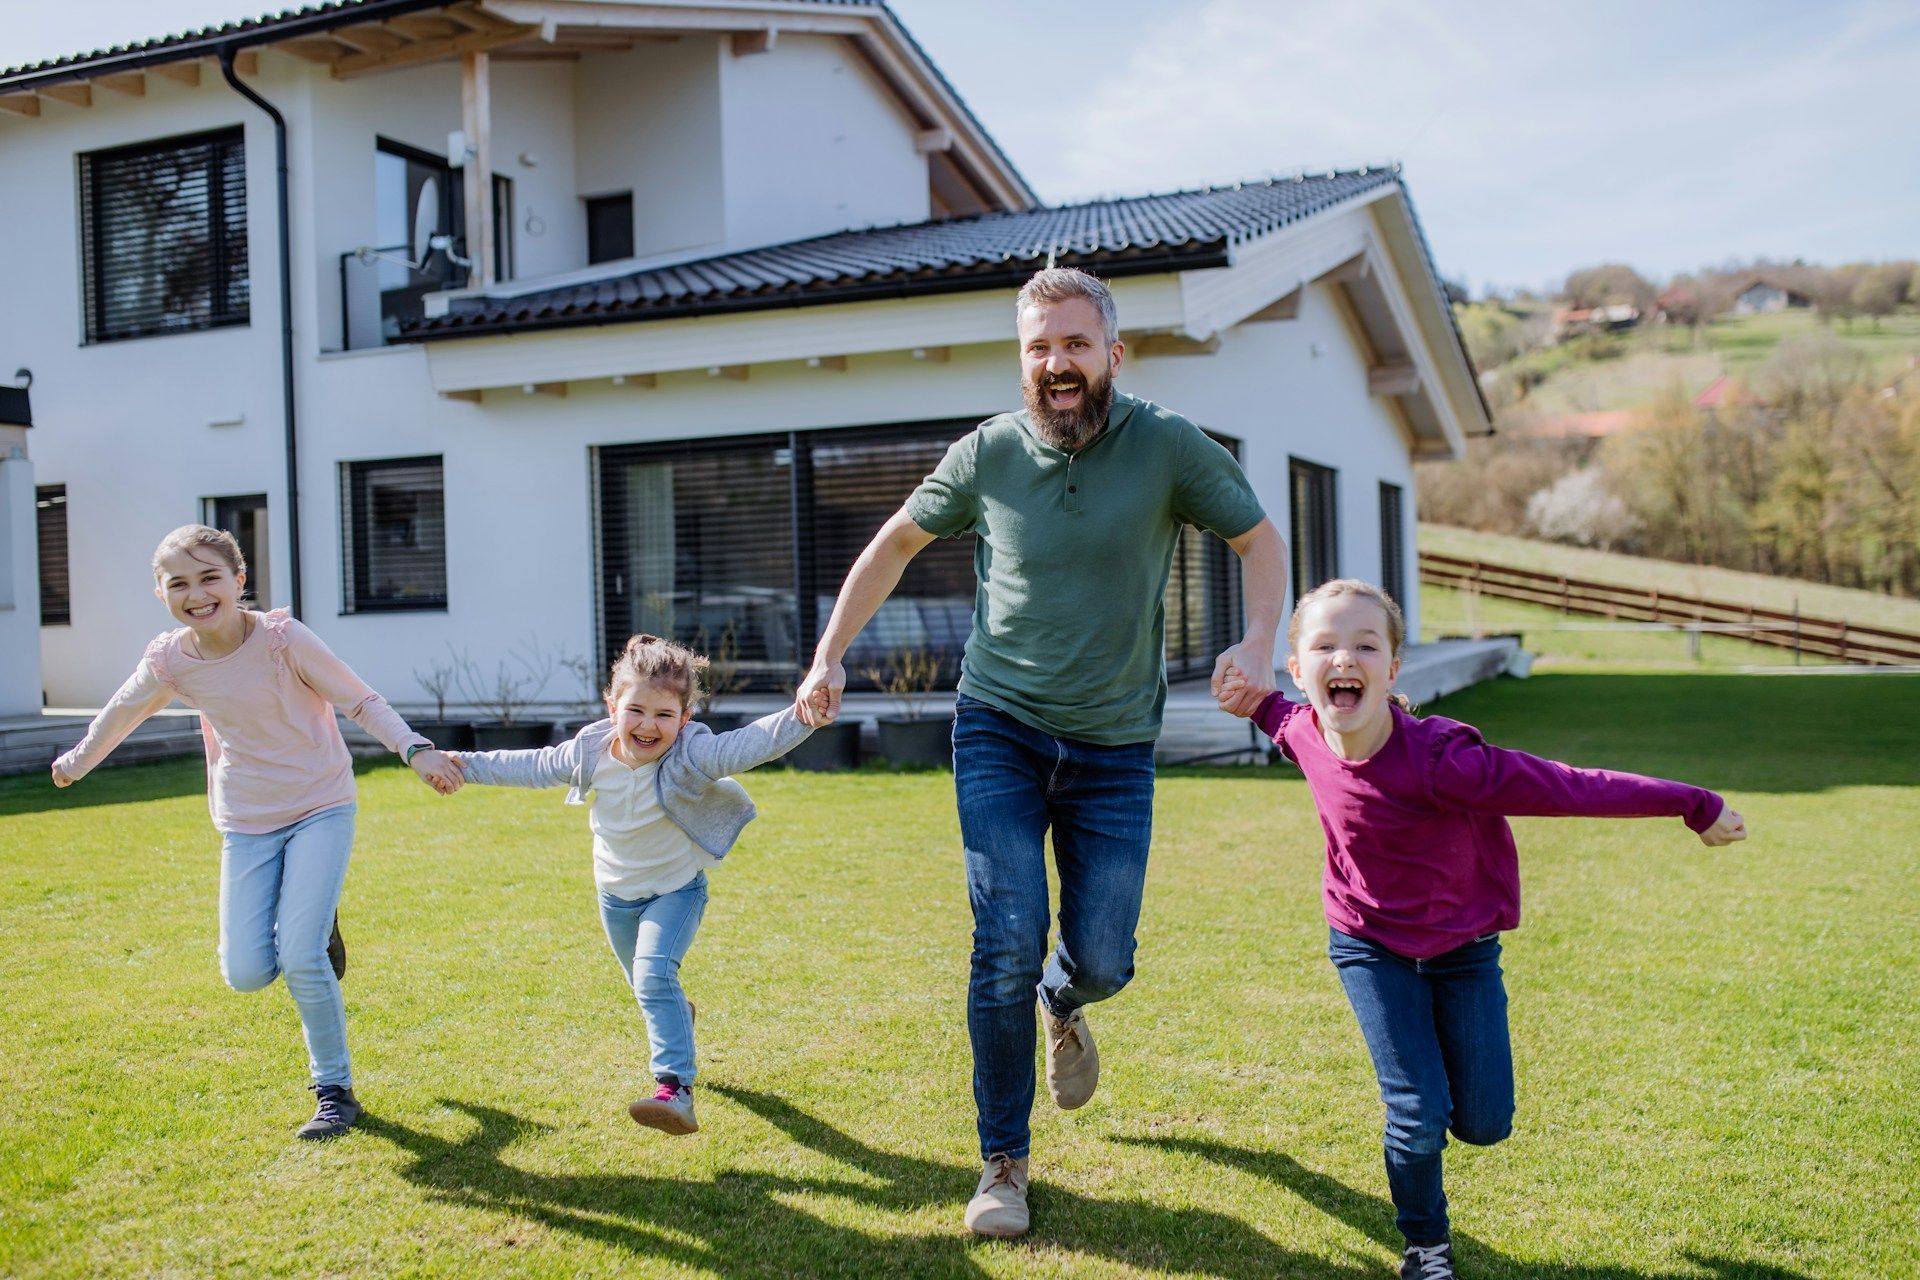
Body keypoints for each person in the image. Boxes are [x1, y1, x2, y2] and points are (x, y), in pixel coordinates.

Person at [794, 266, 1289, 1237]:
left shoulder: (1168, 446)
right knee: (1003, 936)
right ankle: (1004, 1161)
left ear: (1113, 351)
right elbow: (894, 543)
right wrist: (828, 654)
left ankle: (1066, 999)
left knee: (1103, 954)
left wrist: (1260, 641)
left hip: (1113, 742)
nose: (1055, 363)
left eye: (1072, 343)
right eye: (1037, 347)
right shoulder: (988, 453)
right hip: (999, 725)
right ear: (1021, 359)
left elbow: (1260, 538)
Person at [1216, 579, 1747, 1280]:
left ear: (1393, 671)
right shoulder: (1302, 730)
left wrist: (1695, 804)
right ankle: (1426, 1248)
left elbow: (1570, 786)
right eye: (1326, 645)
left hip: (1462, 952)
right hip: (1368, 945)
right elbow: (1272, 715)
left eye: (1366, 645)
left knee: (1486, 1123)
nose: (1345, 657)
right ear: (1300, 669)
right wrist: (1246, 697)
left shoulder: (1446, 763)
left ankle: (1447, 1123)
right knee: (1415, 1109)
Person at [51, 524, 464, 1140]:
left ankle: (334, 1090)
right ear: (160, 592)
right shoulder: (171, 658)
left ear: (239, 580)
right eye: (179, 584)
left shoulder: (280, 639)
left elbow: (360, 700)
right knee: (244, 972)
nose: (196, 594)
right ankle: (316, 923)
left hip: (320, 803)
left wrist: (415, 749)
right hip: (246, 821)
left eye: (210, 577)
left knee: (298, 958)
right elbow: (123, 711)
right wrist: (78, 761)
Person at [449, 634, 813, 1134]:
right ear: (612, 705)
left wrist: (805, 713)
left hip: (676, 890)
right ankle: (677, 1018)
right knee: (650, 987)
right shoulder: (589, 755)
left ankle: (675, 1090)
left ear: (684, 719)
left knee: (652, 976)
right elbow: (530, 764)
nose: (647, 725)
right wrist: (463, 766)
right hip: (615, 898)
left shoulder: (691, 754)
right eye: (635, 710)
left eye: (664, 715)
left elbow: (748, 744)